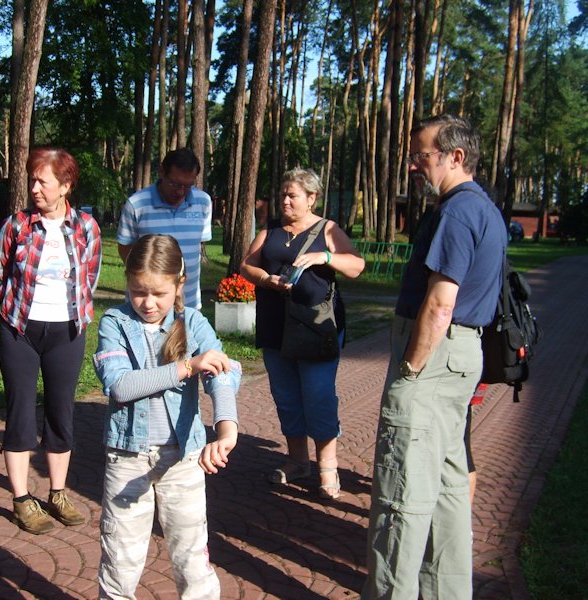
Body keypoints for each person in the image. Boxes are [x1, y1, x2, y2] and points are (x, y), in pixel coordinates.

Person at [362, 115, 507, 599]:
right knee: (446, 489)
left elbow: (441, 302)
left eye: (422, 155)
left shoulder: (457, 212)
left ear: (455, 157)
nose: (413, 165)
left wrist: (411, 366)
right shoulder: (484, 208)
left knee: (400, 492)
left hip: (433, 357)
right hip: (461, 358)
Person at [93, 234, 240, 599]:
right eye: (138, 291)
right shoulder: (114, 322)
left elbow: (222, 373)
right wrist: (187, 366)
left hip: (184, 460)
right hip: (128, 458)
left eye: (159, 293)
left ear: (179, 284)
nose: (147, 303)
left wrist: (226, 431)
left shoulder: (193, 322)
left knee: (192, 559)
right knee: (120, 562)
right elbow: (121, 387)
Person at [0, 147, 101, 535]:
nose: (35, 188)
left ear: (65, 186)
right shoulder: (16, 226)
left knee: (60, 411)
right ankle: (22, 499)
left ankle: (57, 493)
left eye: (44, 181)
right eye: (32, 180)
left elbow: (90, 276)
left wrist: (71, 314)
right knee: (20, 410)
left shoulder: (86, 227)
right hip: (20, 329)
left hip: (67, 332)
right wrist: (18, 309)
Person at [240, 168, 365, 499]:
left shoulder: (328, 230)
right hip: (275, 328)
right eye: (283, 193)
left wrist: (325, 256)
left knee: (318, 395)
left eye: (292, 195)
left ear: (312, 198)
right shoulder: (271, 232)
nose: (285, 200)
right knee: (286, 396)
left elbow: (356, 265)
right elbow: (246, 266)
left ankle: (328, 467)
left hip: (315, 329)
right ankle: (298, 461)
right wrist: (266, 280)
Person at [116, 148, 213, 309]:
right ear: (162, 172)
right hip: (147, 306)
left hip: (188, 304)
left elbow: (198, 245)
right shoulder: (137, 204)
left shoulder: (203, 202)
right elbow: (125, 248)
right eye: (175, 184)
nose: (180, 192)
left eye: (187, 185)